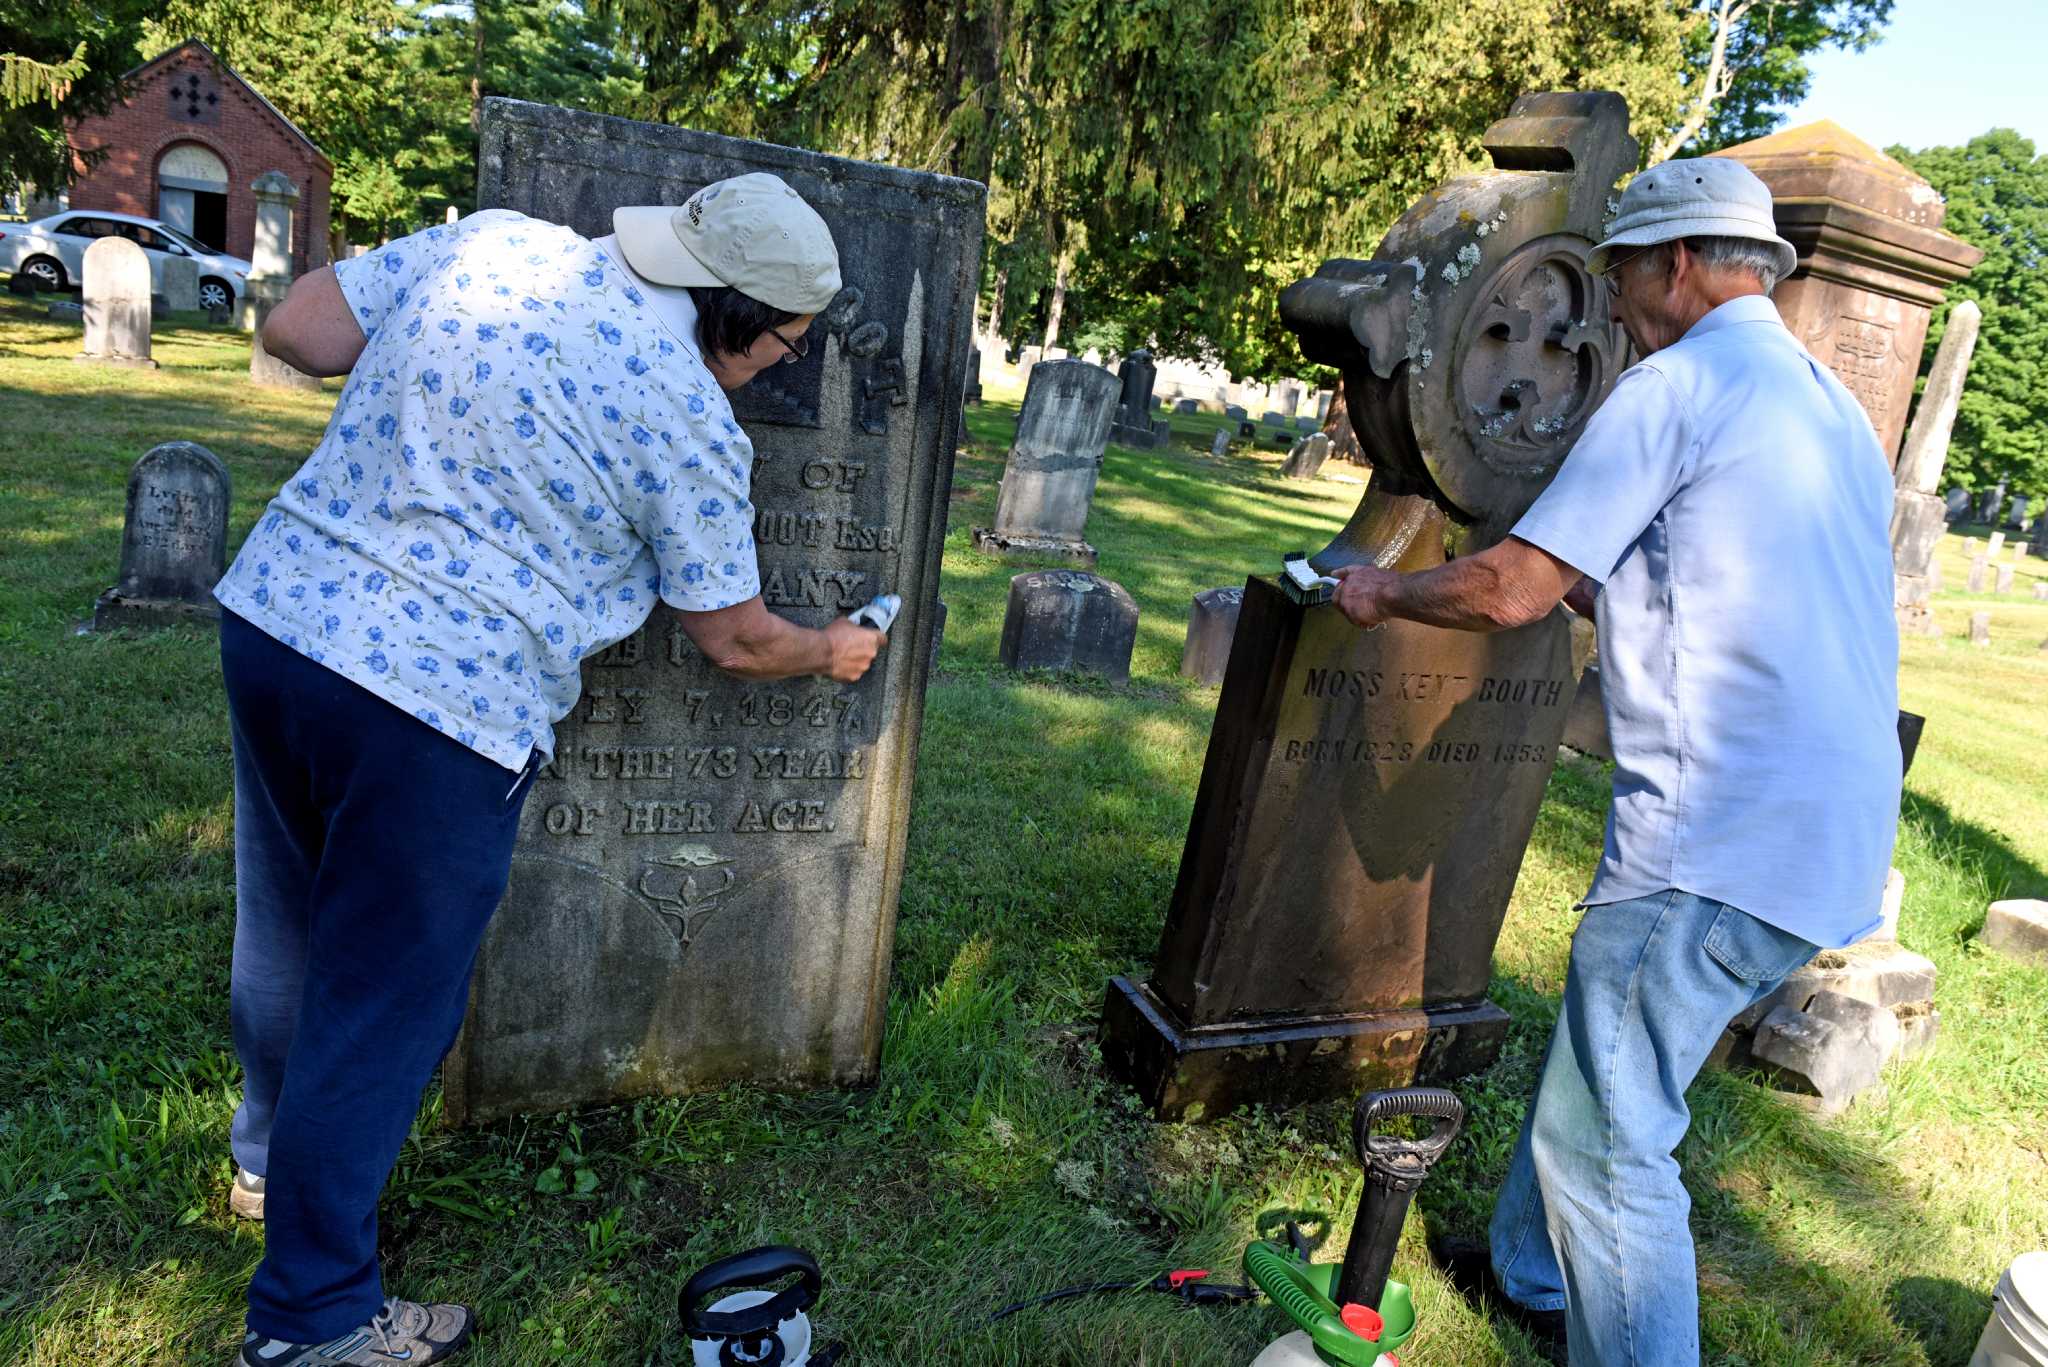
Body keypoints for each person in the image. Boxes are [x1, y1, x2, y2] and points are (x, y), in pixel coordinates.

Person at [214, 173, 886, 1366]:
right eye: (786, 343)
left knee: (284, 927)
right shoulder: (685, 415)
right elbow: (735, 637)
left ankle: (270, 1162)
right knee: (380, 1011)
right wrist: (830, 648)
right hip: (436, 707)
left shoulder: (496, 247)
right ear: (739, 317)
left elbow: (298, 330)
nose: (780, 365)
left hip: (280, 619)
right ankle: (313, 1319)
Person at [1327, 157, 1900, 1363]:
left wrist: (1380, 592)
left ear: (1675, 263)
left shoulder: (1676, 385)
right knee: (1612, 1053)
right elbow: (1689, 571)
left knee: (1609, 1143)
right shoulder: (1823, 407)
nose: (1612, 310)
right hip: (1828, 835)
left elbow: (1510, 589)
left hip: (1716, 839)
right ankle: (1531, 1271)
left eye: (1623, 274)